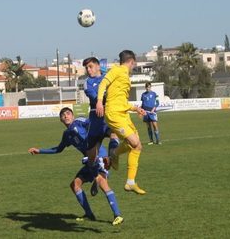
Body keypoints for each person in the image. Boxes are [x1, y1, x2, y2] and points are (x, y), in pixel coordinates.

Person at [28, 107, 124, 226]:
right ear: (60, 120)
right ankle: (89, 214)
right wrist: (40, 151)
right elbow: (58, 149)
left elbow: (93, 123)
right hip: (89, 161)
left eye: (68, 113)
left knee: (103, 183)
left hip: (100, 156)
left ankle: (117, 215)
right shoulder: (67, 134)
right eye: (63, 115)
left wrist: (109, 132)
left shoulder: (79, 121)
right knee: (75, 185)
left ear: (72, 116)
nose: (66, 116)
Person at [96, 50, 147, 195]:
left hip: (123, 114)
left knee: (137, 147)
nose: (133, 67)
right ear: (131, 61)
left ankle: (130, 182)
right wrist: (100, 102)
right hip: (114, 114)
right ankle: (114, 154)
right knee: (134, 142)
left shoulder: (125, 76)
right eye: (134, 64)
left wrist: (136, 108)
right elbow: (103, 84)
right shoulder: (117, 70)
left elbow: (121, 100)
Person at [82, 57, 120, 195]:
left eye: (90, 66)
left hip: (108, 117)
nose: (88, 70)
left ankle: (111, 156)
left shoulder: (108, 78)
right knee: (91, 159)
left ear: (98, 66)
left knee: (115, 134)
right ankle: (96, 178)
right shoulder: (87, 82)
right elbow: (93, 97)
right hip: (95, 121)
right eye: (86, 68)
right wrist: (103, 97)